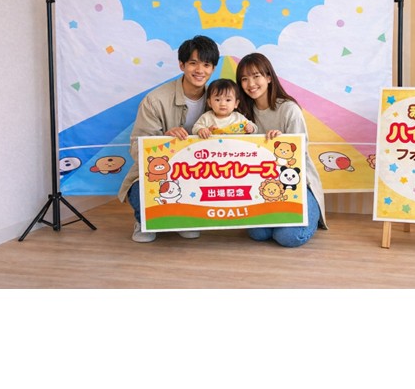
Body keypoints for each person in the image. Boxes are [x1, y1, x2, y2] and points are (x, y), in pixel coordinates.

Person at [118, 35, 220, 243]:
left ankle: (185, 219)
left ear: (213, 68)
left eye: (206, 64)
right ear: (182, 65)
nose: (200, 70)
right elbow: (137, 148)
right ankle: (143, 220)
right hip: (160, 173)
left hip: (200, 172)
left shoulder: (220, 99)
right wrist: (164, 141)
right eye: (193, 63)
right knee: (141, 193)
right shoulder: (155, 100)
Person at [236, 52, 328, 247]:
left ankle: (311, 215)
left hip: (297, 184)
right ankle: (279, 220)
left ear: (269, 77)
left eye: (256, 76)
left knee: (288, 237)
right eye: (244, 79)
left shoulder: (288, 109)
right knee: (258, 234)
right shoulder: (242, 114)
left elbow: (299, 153)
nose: (250, 83)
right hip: (263, 186)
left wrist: (282, 143)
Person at [192, 78, 257, 138]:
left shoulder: (238, 117)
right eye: (217, 100)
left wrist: (251, 128)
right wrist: (201, 130)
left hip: (234, 146)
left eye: (228, 100)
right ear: (209, 103)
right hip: (213, 146)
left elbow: (254, 127)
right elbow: (195, 128)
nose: (223, 104)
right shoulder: (207, 117)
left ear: (236, 103)